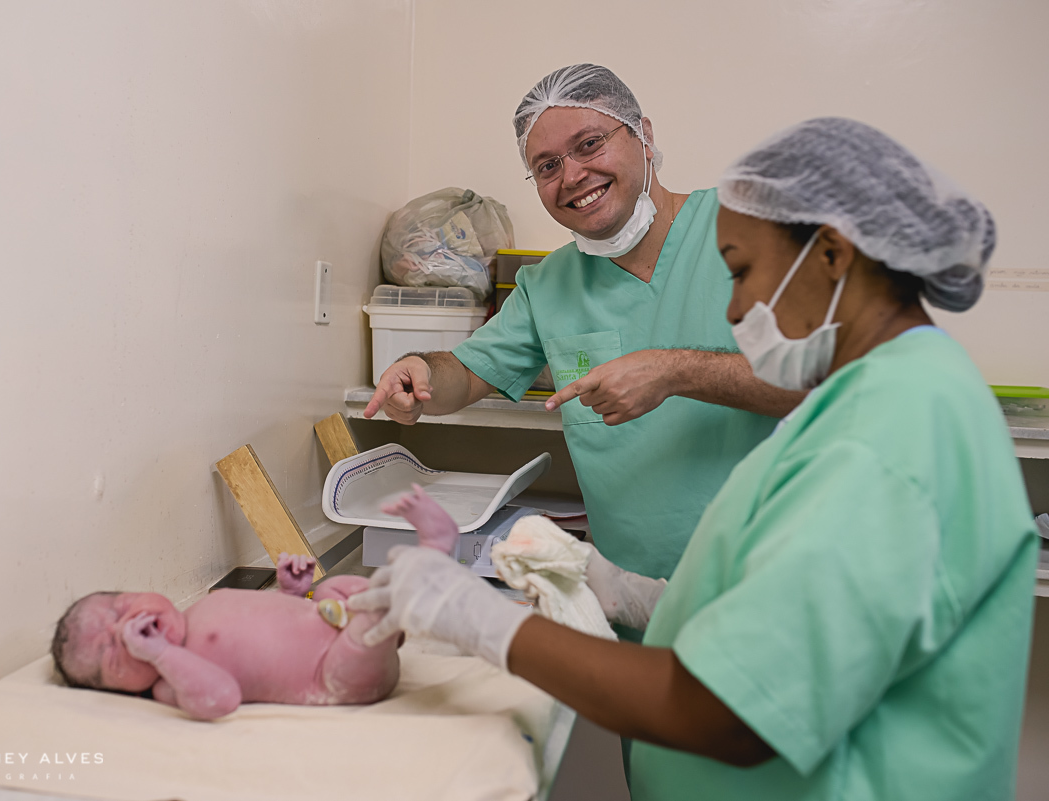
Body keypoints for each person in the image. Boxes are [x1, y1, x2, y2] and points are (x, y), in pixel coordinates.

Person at [349, 117, 1038, 800]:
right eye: (547, 164)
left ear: (831, 254)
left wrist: (479, 619)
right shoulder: (893, 390)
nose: (735, 306)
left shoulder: (885, 437)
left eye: (740, 271)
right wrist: (642, 596)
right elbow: (808, 605)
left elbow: (728, 710)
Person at [365, 65, 804, 605]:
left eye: (590, 144)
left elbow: (828, 381)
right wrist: (420, 374)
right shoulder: (546, 285)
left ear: (643, 134)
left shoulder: (749, 229)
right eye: (547, 166)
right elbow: (464, 374)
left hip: (770, 589)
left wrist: (674, 371)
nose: (571, 176)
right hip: (633, 600)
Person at [51, 547, 418, 718]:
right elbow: (222, 698)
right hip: (334, 672)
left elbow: (273, 625)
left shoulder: (202, 607)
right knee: (364, 631)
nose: (125, 627)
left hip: (331, 622)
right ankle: (392, 611)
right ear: (124, 691)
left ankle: (390, 621)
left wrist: (293, 593)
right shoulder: (170, 683)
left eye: (120, 607)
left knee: (330, 588)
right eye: (113, 651)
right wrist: (160, 654)